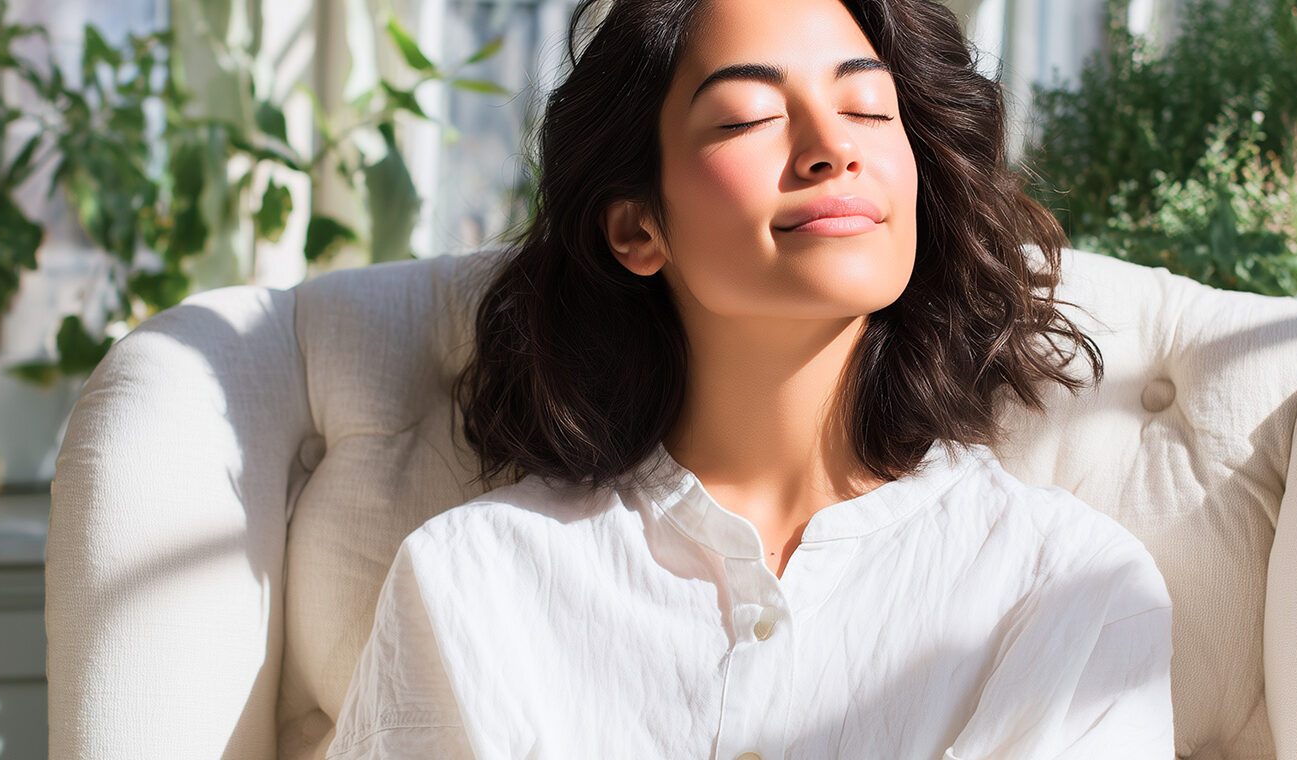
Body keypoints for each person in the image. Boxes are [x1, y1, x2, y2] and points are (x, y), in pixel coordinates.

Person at [327, 0, 1174, 756]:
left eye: (868, 109)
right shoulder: (474, 582)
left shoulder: (1070, 591)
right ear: (637, 228)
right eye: (747, 118)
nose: (833, 148)